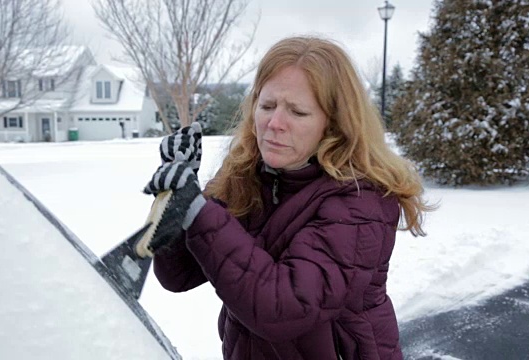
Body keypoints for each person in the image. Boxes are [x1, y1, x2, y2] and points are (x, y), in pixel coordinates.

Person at [142, 36, 433, 360]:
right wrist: (178, 200)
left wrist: (198, 212)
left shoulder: (361, 202)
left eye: (297, 111)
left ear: (335, 122)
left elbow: (282, 308)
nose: (274, 123)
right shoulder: (246, 175)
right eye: (266, 106)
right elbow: (177, 275)